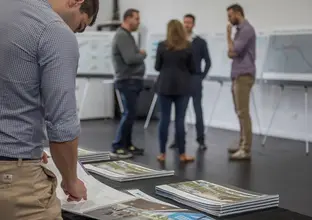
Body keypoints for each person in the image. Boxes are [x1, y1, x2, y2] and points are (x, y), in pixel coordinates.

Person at [0, 0, 99, 219]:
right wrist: (71, 180)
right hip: (12, 179)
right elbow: (62, 124)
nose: (74, 31)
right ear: (77, 1)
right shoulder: (54, 30)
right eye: (80, 25)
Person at [155, 19, 196, 163]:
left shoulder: (161, 46)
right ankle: (182, 154)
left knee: (164, 120)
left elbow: (157, 67)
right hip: (182, 87)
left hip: (164, 86)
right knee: (180, 120)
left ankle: (162, 153)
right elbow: (193, 68)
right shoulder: (188, 46)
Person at [170, 14, 211, 150]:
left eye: (189, 23)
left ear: (193, 25)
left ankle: (201, 140)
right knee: (180, 111)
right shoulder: (178, 42)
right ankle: (177, 140)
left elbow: (208, 62)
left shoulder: (200, 42)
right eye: (185, 22)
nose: (186, 25)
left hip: (195, 79)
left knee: (198, 110)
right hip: (182, 80)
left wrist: (201, 76)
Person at [111, 8, 146, 159]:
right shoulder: (122, 36)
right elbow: (131, 59)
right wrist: (142, 54)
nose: (139, 22)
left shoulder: (127, 35)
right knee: (128, 113)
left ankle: (127, 144)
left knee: (131, 114)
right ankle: (118, 145)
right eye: (136, 19)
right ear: (128, 19)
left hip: (132, 80)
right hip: (127, 81)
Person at [226, 4, 256, 160]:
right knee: (240, 113)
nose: (229, 19)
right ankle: (242, 144)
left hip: (244, 75)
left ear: (238, 13)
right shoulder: (240, 31)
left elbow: (233, 52)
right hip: (238, 75)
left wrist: (227, 35)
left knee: (243, 113)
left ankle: (246, 149)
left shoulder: (246, 30)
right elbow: (230, 54)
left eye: (230, 16)